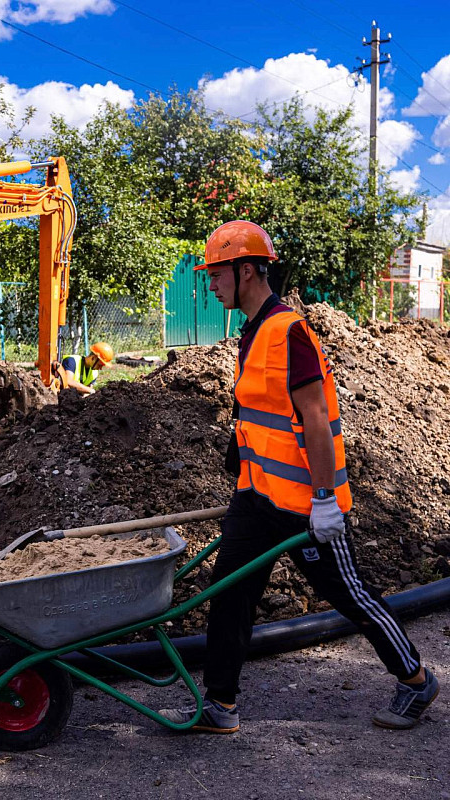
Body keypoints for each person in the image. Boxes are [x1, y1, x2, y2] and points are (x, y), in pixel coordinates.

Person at [159, 220, 438, 733]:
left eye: (216, 274)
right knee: (230, 593)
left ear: (246, 271)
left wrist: (327, 498)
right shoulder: (252, 330)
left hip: (307, 504)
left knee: (350, 595)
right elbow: (261, 410)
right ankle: (220, 706)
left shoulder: (288, 331)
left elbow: (313, 416)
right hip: (257, 494)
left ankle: (417, 680)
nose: (211, 284)